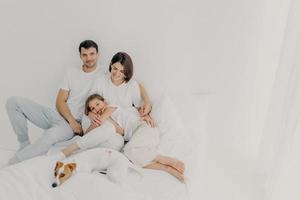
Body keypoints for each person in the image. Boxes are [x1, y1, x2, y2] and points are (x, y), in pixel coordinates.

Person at [6, 40, 151, 164]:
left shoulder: (105, 75)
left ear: (98, 55)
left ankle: (16, 162)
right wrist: (72, 120)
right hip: (60, 116)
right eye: (85, 55)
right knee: (13, 102)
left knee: (50, 136)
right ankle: (23, 144)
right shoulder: (74, 73)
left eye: (92, 54)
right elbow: (61, 101)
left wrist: (147, 102)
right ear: (80, 56)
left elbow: (133, 83)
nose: (89, 58)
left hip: (77, 123)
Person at [87, 52, 185, 182]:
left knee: (129, 152)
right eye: (115, 68)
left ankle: (167, 161)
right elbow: (89, 104)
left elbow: (141, 107)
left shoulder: (124, 93)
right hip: (132, 132)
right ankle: (168, 168)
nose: (116, 73)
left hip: (142, 128)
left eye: (122, 71)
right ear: (111, 65)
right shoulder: (101, 81)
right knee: (131, 155)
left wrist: (146, 113)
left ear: (127, 73)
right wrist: (92, 116)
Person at [60, 93, 140, 157]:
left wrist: (94, 116)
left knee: (115, 137)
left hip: (137, 129)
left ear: (104, 102)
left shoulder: (111, 107)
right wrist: (91, 115)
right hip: (123, 135)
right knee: (112, 133)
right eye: (93, 108)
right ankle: (74, 149)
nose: (96, 109)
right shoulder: (100, 117)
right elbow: (87, 134)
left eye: (97, 104)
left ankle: (80, 148)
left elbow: (121, 132)